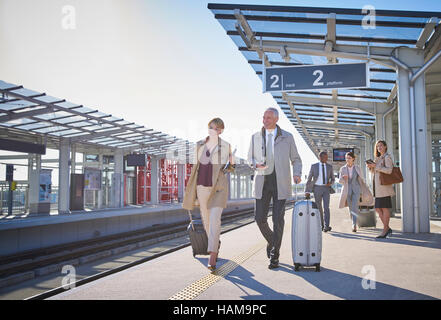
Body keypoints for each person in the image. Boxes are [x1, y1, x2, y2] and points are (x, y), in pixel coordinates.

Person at [248, 108, 302, 269]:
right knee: (259, 218)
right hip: (261, 182)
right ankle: (273, 241)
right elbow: (250, 158)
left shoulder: (287, 137)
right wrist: (255, 164)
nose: (265, 120)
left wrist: (297, 174)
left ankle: (275, 256)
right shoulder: (255, 137)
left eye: (269, 118)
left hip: (280, 183)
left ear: (276, 119)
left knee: (277, 220)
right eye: (263, 117)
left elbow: (296, 159)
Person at [183, 118, 234, 270]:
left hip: (218, 188)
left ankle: (212, 254)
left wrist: (227, 167)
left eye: (216, 128)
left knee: (214, 220)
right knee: (206, 221)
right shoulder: (199, 145)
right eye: (210, 127)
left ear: (221, 131)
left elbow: (232, 167)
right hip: (201, 187)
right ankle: (214, 244)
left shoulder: (225, 146)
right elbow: (196, 166)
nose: (212, 130)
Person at [339, 152, 373, 232]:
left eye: (349, 158)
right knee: (351, 207)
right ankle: (353, 220)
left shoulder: (357, 168)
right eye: (346, 158)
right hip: (347, 189)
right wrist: (344, 179)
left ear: (353, 159)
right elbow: (340, 180)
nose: (347, 160)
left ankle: (354, 224)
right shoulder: (343, 168)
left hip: (356, 189)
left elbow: (361, 178)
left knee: (355, 206)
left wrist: (364, 188)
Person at [367, 140, 395, 238]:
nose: (379, 148)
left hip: (384, 188)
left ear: (385, 147)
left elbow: (389, 170)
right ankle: (387, 228)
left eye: (381, 146)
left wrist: (376, 167)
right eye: (378, 146)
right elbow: (376, 171)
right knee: (378, 208)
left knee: (383, 208)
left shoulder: (387, 157)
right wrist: (371, 167)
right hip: (378, 188)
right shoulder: (378, 158)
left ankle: (385, 230)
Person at [305, 151, 335, 232]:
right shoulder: (314, 166)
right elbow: (309, 178)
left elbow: (333, 179)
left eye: (327, 157)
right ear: (320, 157)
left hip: (326, 188)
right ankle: (321, 224)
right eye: (324, 157)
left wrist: (331, 183)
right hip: (317, 188)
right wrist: (307, 191)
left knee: (326, 207)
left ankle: (326, 226)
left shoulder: (330, 167)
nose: (326, 159)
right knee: (319, 208)